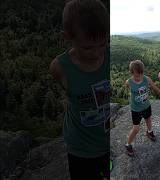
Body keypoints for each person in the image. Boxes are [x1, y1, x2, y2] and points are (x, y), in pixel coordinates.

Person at [49, 0, 110, 179]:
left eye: (102, 43)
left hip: (108, 142)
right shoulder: (59, 68)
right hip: (79, 148)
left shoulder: (109, 58)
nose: (97, 53)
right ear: (67, 37)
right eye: (88, 47)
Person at [124, 60, 160, 156]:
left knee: (148, 119)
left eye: (140, 74)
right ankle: (128, 145)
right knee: (136, 129)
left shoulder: (146, 79)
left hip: (146, 106)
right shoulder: (129, 82)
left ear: (142, 72)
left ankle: (149, 132)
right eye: (136, 75)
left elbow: (155, 87)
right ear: (131, 73)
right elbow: (127, 88)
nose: (139, 77)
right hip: (135, 109)